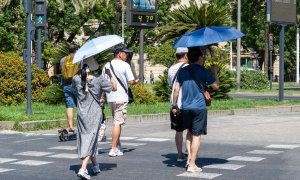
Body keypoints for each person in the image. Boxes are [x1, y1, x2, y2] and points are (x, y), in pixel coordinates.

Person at [172, 47, 219, 172]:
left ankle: (188, 160)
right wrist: (214, 72)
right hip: (199, 107)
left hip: (186, 107)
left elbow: (176, 90)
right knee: (196, 136)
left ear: (188, 58)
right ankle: (192, 164)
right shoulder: (203, 71)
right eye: (202, 56)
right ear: (199, 58)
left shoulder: (182, 71)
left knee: (189, 133)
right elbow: (215, 87)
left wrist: (174, 105)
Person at [73, 58, 117, 179]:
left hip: (81, 112)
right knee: (91, 138)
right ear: (93, 67)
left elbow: (74, 90)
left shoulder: (76, 79)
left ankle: (96, 165)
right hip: (94, 113)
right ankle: (83, 169)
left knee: (86, 137)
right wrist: (110, 75)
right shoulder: (99, 79)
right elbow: (114, 87)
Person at [102, 44, 139, 157]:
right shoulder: (125, 65)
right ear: (119, 53)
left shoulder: (106, 65)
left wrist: (102, 96)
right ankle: (113, 149)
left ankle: (118, 146)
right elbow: (131, 81)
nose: (127, 55)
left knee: (116, 121)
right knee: (118, 123)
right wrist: (136, 81)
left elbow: (103, 82)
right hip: (121, 97)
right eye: (125, 53)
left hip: (110, 97)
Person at [168, 47, 191, 163]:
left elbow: (170, 85)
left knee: (179, 130)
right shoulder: (189, 68)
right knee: (190, 130)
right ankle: (190, 153)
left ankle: (180, 154)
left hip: (174, 103)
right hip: (187, 102)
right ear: (186, 56)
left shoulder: (171, 69)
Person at [59, 44, 78, 133]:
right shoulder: (79, 58)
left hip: (66, 84)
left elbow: (61, 70)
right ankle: (82, 125)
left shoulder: (63, 60)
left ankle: (71, 126)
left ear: (68, 51)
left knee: (69, 106)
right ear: (76, 50)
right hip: (77, 84)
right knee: (81, 105)